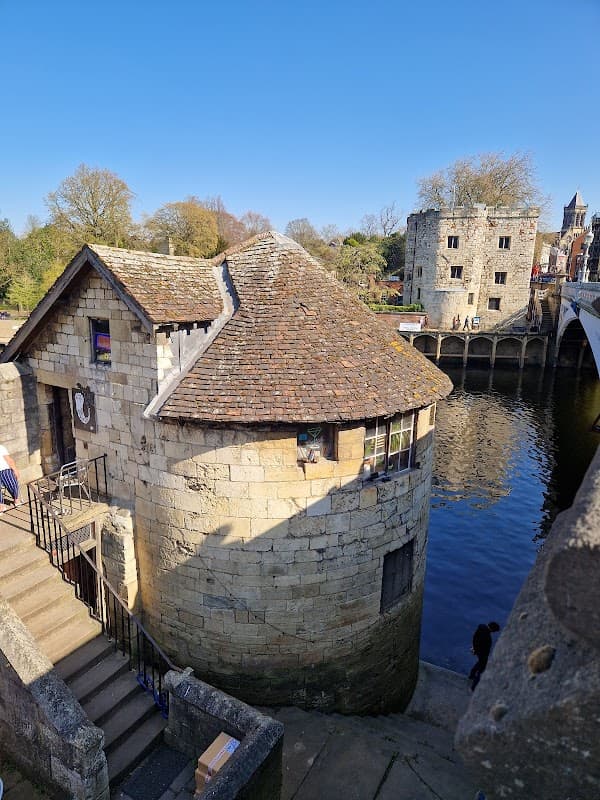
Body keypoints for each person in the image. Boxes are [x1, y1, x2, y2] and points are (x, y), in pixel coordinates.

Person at [469, 621, 500, 690]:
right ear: (492, 629)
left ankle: (471, 675)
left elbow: (475, 639)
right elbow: (482, 645)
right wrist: (477, 650)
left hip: (478, 650)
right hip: (482, 653)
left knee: (480, 663)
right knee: (481, 669)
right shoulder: (486, 636)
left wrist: (474, 648)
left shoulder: (481, 629)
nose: (494, 632)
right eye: (494, 631)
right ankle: (474, 686)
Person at [0, 445, 21, 511]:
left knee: (12, 484)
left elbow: (9, 460)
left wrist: (15, 470)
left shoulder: (1, 447)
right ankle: (1, 505)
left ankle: (16, 499)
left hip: (5, 470)